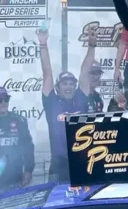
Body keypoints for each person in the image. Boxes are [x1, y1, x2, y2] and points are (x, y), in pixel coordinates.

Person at [37, 27, 94, 183]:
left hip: (81, 159)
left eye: (71, 83)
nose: (68, 86)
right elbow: (47, 72)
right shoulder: (52, 102)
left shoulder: (80, 99)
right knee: (55, 197)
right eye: (64, 84)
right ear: (57, 87)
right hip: (59, 162)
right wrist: (43, 44)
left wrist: (92, 46)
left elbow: (85, 71)